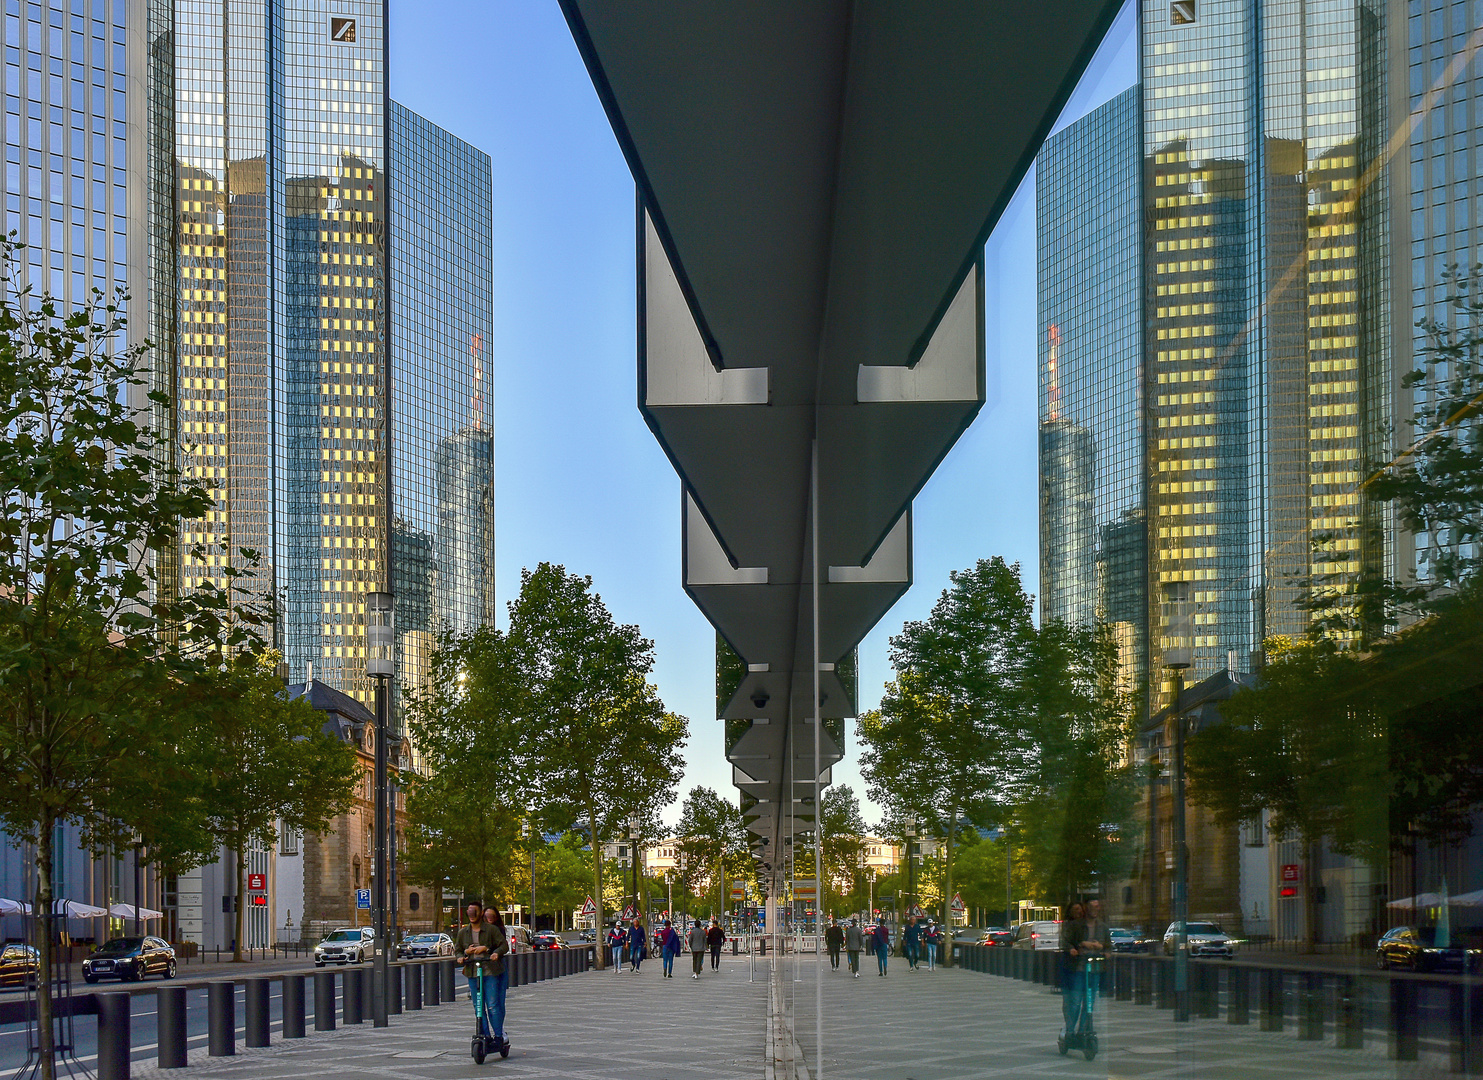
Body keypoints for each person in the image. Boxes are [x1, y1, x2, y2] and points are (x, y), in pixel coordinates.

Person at [454, 902, 509, 1056]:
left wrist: (494, 952)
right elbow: (457, 949)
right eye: (470, 912)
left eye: (475, 912)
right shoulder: (463, 932)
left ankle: (499, 1036)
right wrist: (462, 955)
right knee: (478, 1006)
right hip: (472, 971)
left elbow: (504, 945)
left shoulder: (491, 930)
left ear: (480, 914)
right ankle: (485, 1035)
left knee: (492, 1004)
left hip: (490, 970)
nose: (472, 915)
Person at [1059, 902, 1088, 1044]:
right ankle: (1069, 1030)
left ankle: (1081, 1030)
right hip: (1072, 966)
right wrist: (1071, 949)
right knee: (1072, 1001)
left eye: (1080, 909)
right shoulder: (1067, 926)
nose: (1078, 911)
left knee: (1087, 1002)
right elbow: (1063, 941)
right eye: (1075, 909)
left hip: (1086, 966)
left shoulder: (1087, 925)